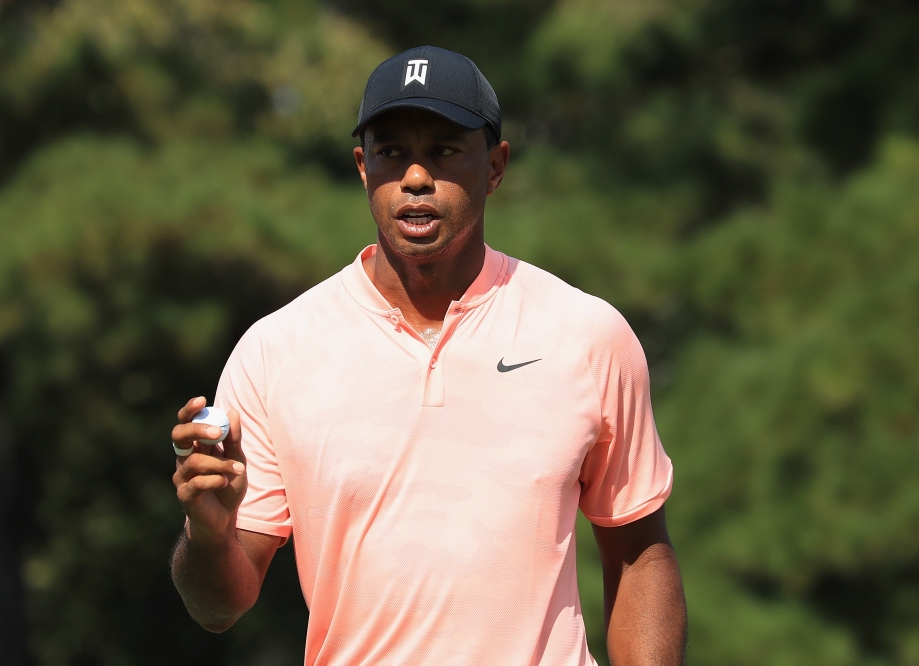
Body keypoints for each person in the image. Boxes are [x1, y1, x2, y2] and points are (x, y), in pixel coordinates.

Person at [170, 46, 686, 665]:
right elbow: (219, 605)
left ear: (494, 166)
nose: (415, 177)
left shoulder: (587, 335)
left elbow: (637, 553)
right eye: (392, 152)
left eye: (443, 150)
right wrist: (207, 532)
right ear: (363, 168)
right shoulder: (276, 350)